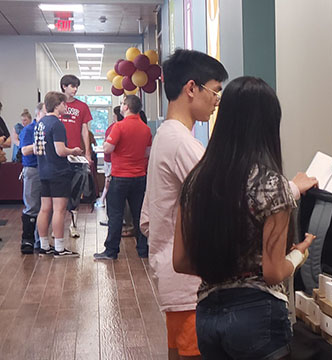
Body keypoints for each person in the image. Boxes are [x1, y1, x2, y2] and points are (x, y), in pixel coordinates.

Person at [173, 76, 317, 359]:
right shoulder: (272, 185)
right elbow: (273, 272)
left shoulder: (195, 181)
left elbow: (180, 261)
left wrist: (223, 266)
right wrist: (299, 254)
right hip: (258, 315)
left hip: (206, 315)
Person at [140, 49, 228, 360]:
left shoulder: (166, 135)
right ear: (192, 88)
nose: (217, 101)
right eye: (215, 91)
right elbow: (224, 198)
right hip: (188, 283)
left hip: (174, 275)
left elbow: (148, 218)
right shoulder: (182, 144)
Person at [93, 95, 152, 260]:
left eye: (121, 104)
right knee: (139, 214)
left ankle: (111, 251)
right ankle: (143, 250)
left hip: (120, 177)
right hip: (139, 177)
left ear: (126, 107)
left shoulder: (118, 126)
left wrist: (105, 145)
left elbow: (108, 148)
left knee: (116, 214)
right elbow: (147, 153)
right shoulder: (146, 129)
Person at [35, 91, 83, 258]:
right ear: (57, 105)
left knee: (44, 209)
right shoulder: (57, 124)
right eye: (63, 104)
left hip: (43, 171)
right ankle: (60, 248)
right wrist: (74, 150)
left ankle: (43, 246)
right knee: (59, 210)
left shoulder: (40, 124)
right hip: (58, 172)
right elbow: (60, 151)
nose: (65, 106)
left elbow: (37, 149)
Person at [59, 74, 93, 238]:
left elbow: (85, 130)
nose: (75, 89)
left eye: (76, 86)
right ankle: (56, 226)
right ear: (64, 86)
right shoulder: (56, 105)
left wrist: (87, 152)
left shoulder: (82, 106)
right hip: (58, 155)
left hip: (76, 155)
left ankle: (73, 225)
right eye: (72, 86)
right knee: (57, 193)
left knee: (75, 192)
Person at [19, 103, 45, 254]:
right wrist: (40, 145)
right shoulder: (29, 130)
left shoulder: (49, 128)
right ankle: (27, 240)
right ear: (39, 113)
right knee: (32, 206)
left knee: (45, 207)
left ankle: (40, 239)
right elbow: (25, 150)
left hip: (46, 169)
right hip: (33, 169)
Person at [96, 106, 124, 208]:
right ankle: (103, 199)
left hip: (111, 159)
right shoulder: (114, 127)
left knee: (109, 180)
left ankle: (103, 199)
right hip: (110, 159)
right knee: (108, 180)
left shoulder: (115, 127)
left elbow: (106, 144)